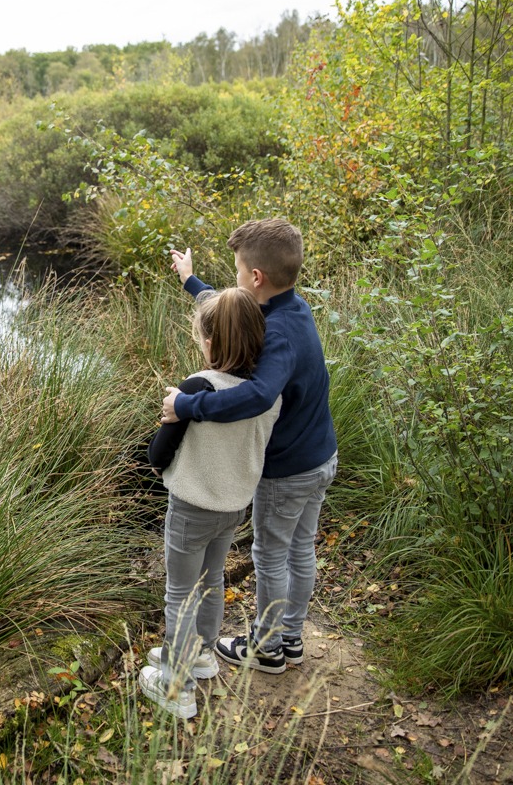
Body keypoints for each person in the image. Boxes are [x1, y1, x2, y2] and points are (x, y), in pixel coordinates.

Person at [162, 218, 338, 675]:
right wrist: (190, 281)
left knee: (272, 554)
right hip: (321, 456)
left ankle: (267, 646)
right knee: (301, 549)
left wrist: (189, 404)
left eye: (238, 271)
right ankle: (291, 638)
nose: (236, 280)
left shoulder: (275, 334)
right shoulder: (291, 311)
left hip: (288, 469)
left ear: (255, 277)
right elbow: (232, 312)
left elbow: (259, 395)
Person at [140, 287, 282, 719]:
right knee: (212, 581)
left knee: (180, 592)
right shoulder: (266, 394)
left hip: (191, 508)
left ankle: (175, 685)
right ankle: (200, 654)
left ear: (210, 342)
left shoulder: (198, 388)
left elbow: (158, 453)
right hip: (233, 508)